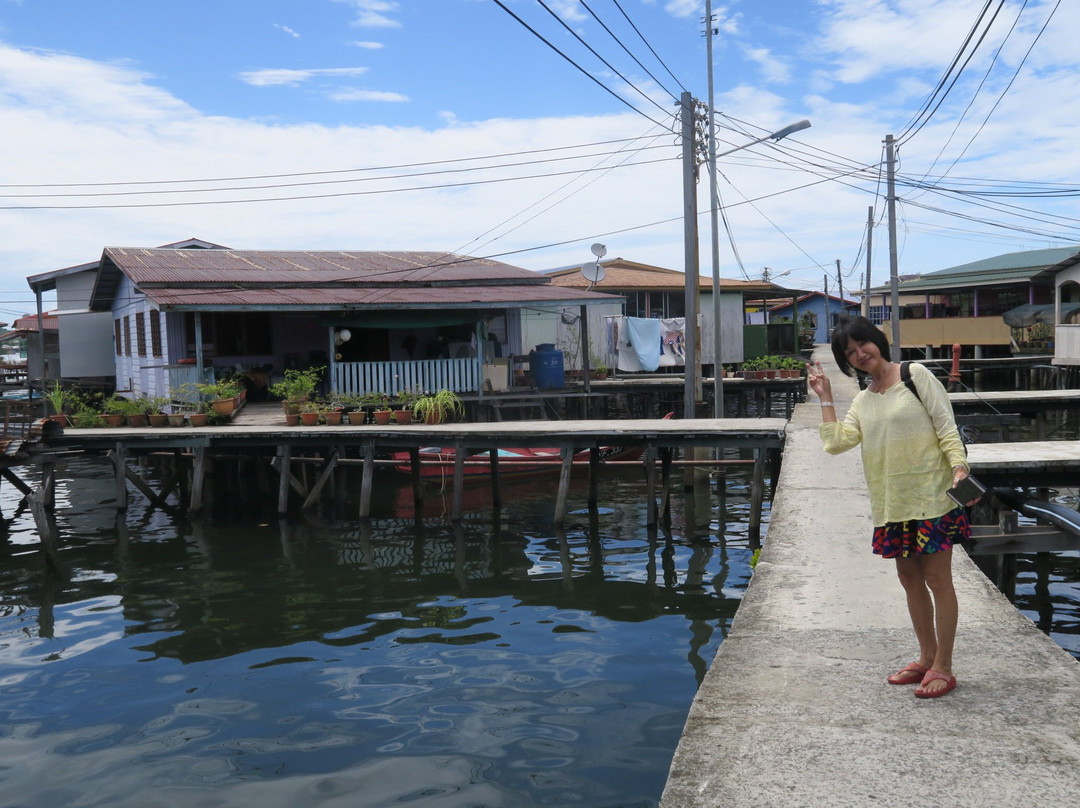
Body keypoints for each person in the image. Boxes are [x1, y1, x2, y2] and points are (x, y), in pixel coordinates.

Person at [806, 316, 975, 699]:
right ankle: (926, 656)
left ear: (876, 340)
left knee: (937, 581)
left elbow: (946, 428)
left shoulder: (915, 375)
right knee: (910, 581)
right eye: (849, 352)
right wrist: (826, 397)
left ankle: (944, 667)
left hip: (932, 498)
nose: (859, 354)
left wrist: (960, 468)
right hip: (891, 504)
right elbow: (836, 443)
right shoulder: (864, 399)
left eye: (861, 343)